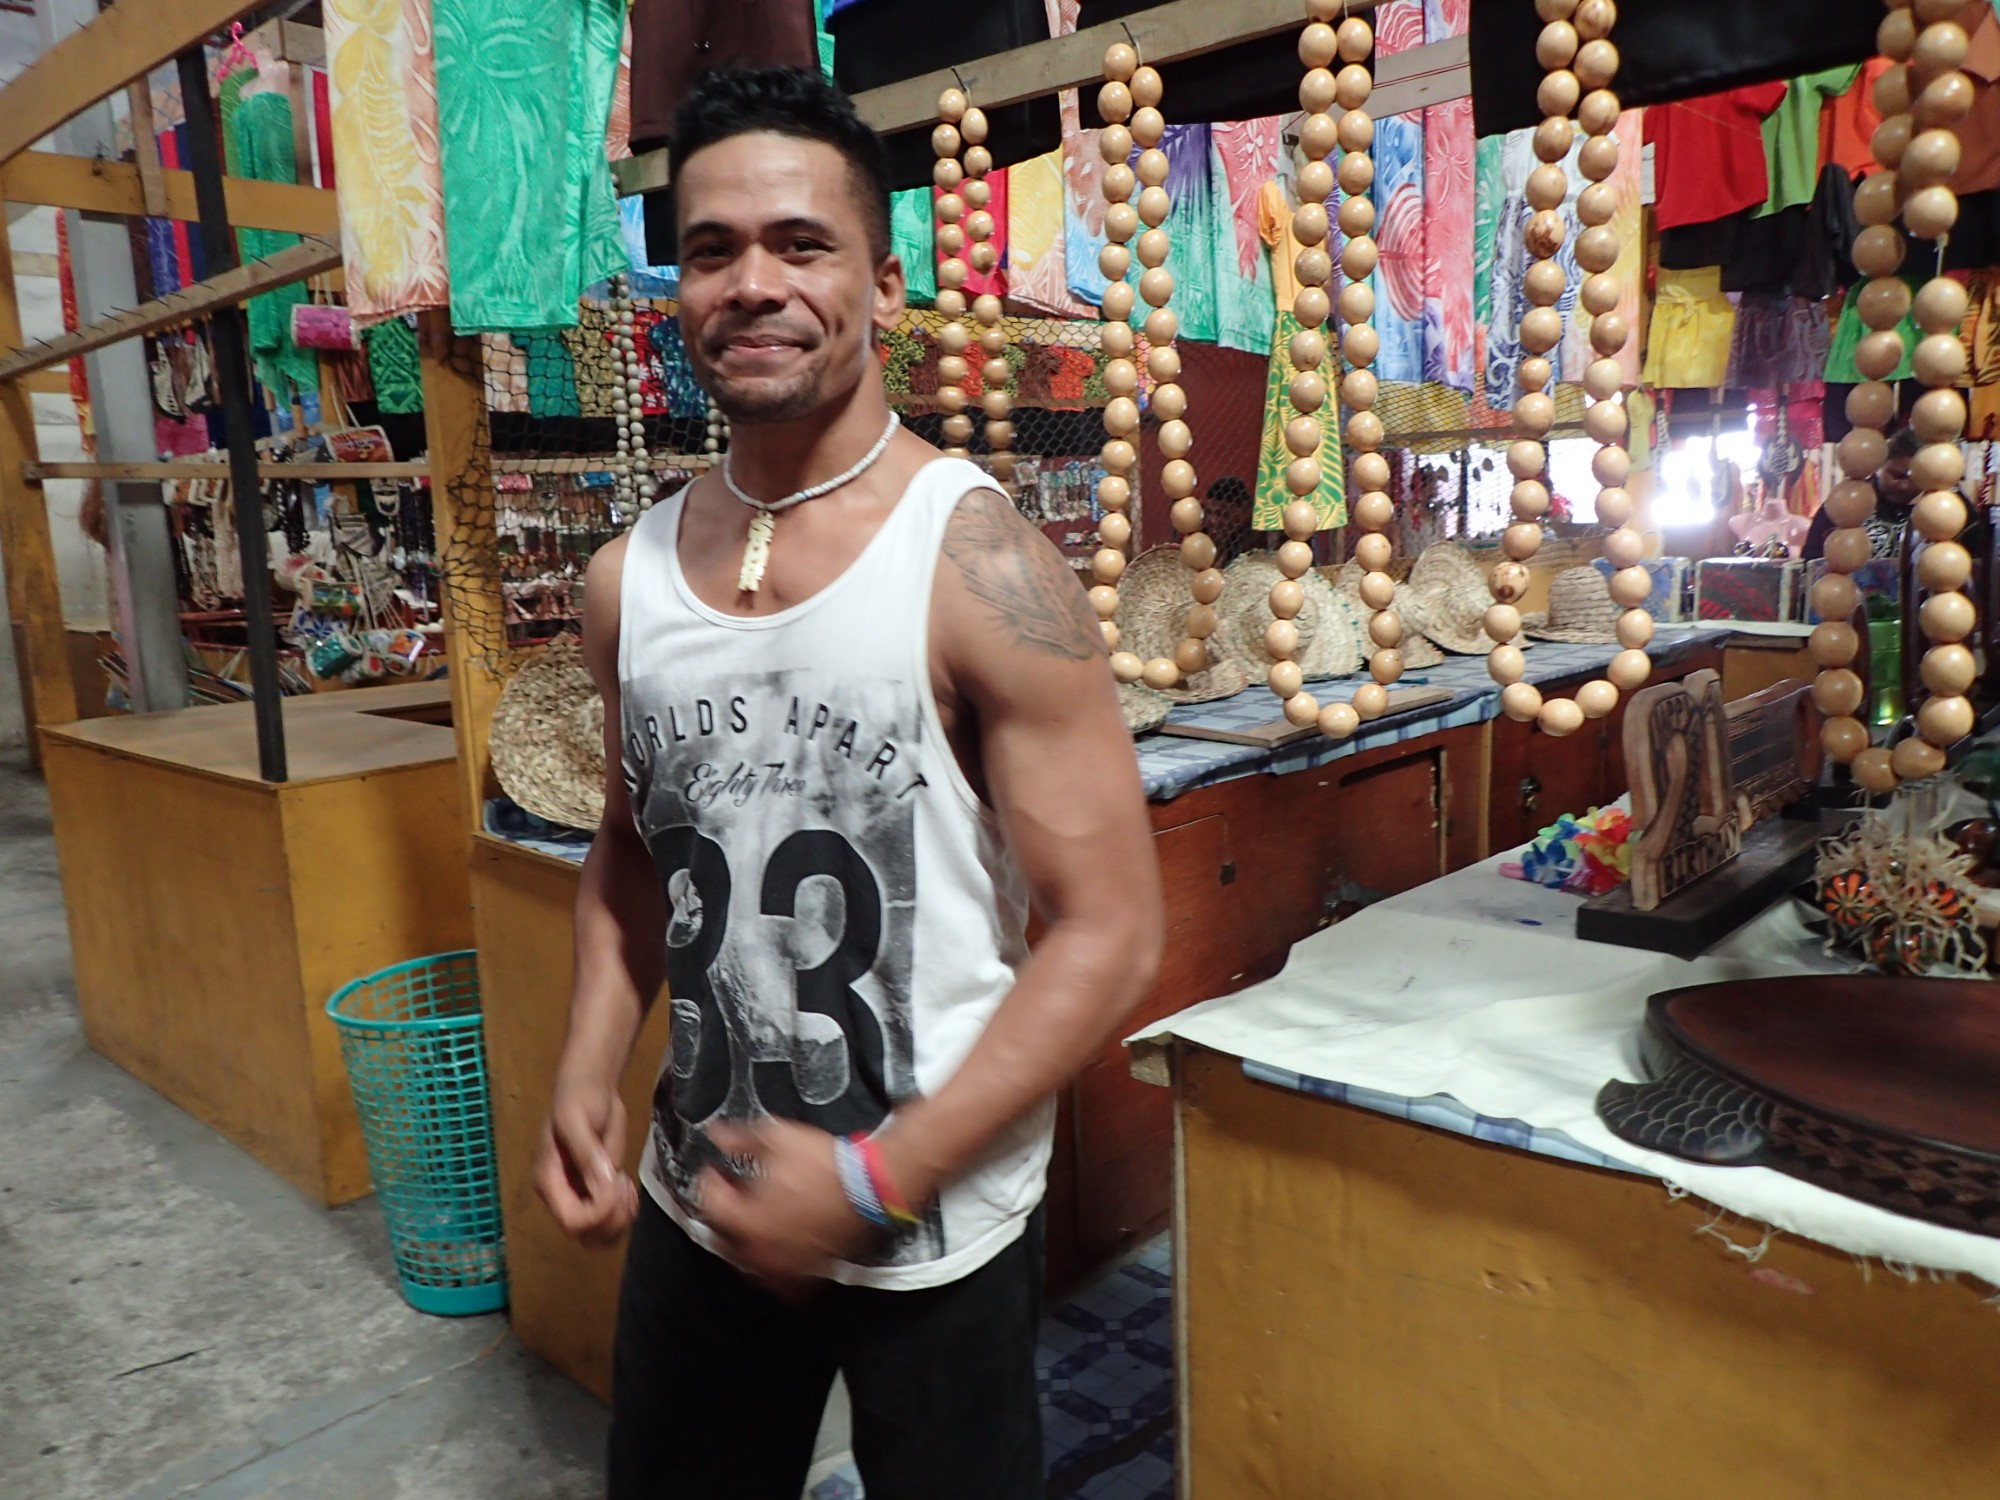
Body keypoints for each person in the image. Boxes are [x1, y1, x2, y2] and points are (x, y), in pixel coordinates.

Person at [534, 67, 1166, 1500]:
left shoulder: (981, 564)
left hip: (932, 1227)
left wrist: (875, 1180)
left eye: (799, 245)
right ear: (676, 289)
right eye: (711, 250)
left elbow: (1112, 926)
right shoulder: (621, 583)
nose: (752, 284)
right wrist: (589, 1060)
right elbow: (636, 854)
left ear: (884, 287)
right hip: (703, 1205)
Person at [1803, 426, 1921, 561]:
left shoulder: (1931, 511)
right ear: (1880, 465)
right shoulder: (1846, 502)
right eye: (1898, 476)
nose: (1905, 486)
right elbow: (1810, 562)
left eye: (1917, 479)